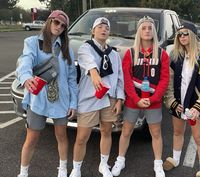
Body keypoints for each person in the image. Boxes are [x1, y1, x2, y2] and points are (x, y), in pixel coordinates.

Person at [16, 10, 78, 177]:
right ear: (49, 21)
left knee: (61, 136)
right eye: (56, 22)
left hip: (61, 99)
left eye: (63, 25)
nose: (59, 27)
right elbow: (25, 60)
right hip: (38, 98)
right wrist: (25, 76)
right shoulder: (32, 43)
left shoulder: (67, 50)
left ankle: (63, 169)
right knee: (32, 138)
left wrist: (73, 103)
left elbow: (72, 78)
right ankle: (23, 172)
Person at [111, 16, 170, 177]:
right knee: (126, 131)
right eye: (143, 28)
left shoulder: (162, 54)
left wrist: (153, 98)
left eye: (150, 28)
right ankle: (120, 160)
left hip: (153, 101)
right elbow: (126, 79)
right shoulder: (130, 53)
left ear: (154, 31)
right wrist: (136, 99)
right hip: (133, 100)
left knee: (156, 133)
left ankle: (158, 164)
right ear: (138, 31)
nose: (147, 31)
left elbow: (164, 79)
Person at [164, 22, 200, 177]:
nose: (182, 37)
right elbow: (168, 80)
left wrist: (199, 105)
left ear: (193, 35)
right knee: (177, 132)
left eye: (185, 33)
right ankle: (175, 159)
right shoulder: (176, 55)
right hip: (179, 103)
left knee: (199, 137)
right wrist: (172, 101)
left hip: (195, 104)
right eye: (179, 34)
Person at [69, 17, 125, 177]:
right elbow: (88, 61)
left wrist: (120, 99)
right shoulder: (85, 48)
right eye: (99, 26)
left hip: (109, 98)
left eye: (106, 27)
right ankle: (76, 168)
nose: (103, 29)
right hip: (89, 98)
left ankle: (103, 164)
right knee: (82, 136)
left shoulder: (114, 54)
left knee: (106, 131)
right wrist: (94, 73)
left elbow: (120, 78)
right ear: (93, 31)